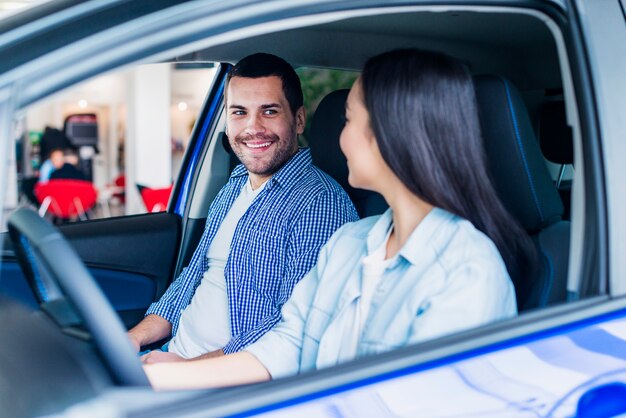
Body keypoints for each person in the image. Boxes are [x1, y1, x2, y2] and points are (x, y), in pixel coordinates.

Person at [143, 48, 537, 390]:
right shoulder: (353, 242)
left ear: (393, 134)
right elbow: (289, 342)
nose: (337, 138)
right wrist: (164, 376)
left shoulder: (468, 272)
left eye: (348, 120)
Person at [130, 53, 358, 362]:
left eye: (269, 111)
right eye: (239, 112)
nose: (253, 127)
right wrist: (133, 339)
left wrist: (183, 370)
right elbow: (193, 275)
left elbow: (287, 333)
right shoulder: (235, 185)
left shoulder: (320, 203)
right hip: (172, 355)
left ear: (299, 119)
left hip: (227, 381)